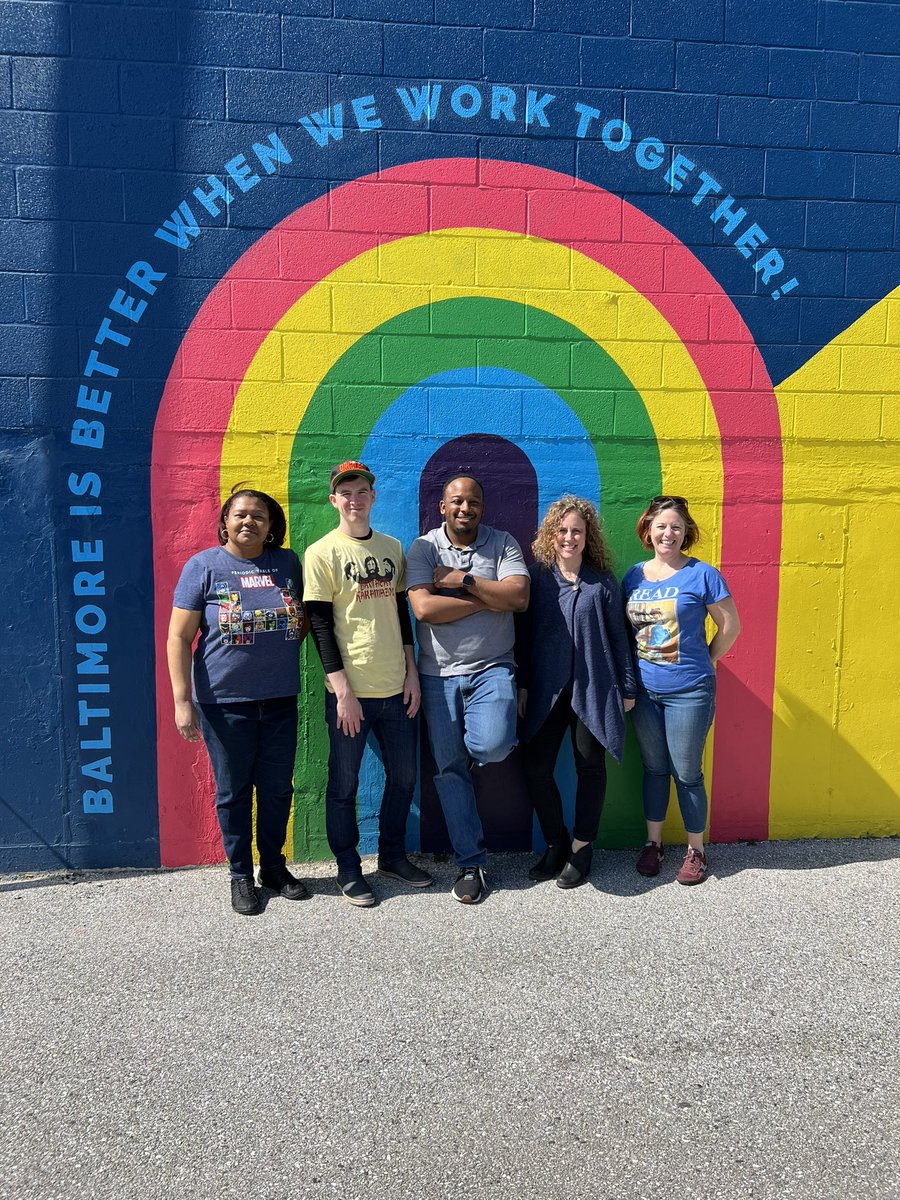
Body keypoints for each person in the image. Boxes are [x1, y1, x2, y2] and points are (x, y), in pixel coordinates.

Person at [167, 487, 310, 916]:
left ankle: (273, 868)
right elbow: (178, 636)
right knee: (233, 793)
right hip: (224, 704)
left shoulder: (287, 564)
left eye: (259, 517)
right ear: (225, 521)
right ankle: (240, 875)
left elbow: (301, 619)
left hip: (280, 699)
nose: (249, 522)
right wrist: (182, 700)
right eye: (240, 515)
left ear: (271, 527)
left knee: (276, 790)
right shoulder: (204, 567)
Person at [303, 460, 432, 907]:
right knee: (344, 784)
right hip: (351, 694)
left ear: (372, 497)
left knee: (405, 777)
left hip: (397, 689)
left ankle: (393, 856)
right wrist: (342, 692)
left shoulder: (393, 548)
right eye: (346, 493)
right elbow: (320, 626)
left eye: (362, 492)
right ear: (334, 500)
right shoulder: (322, 553)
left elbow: (401, 616)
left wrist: (412, 673)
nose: (354, 500)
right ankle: (348, 868)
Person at [407, 475, 530, 904]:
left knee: (492, 745)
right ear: (443, 507)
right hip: (436, 675)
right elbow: (424, 608)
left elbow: (519, 597)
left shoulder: (503, 543)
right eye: (456, 501)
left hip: (493, 668)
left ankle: (479, 742)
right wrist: (487, 596)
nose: (465, 508)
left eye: (473, 501)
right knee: (449, 771)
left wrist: (460, 580)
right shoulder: (423, 549)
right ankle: (470, 861)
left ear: (483, 506)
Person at [516, 497, 637, 888]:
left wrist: (628, 687)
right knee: (535, 768)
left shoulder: (602, 582)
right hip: (547, 691)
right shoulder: (536, 579)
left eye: (577, 531)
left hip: (593, 690)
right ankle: (556, 843)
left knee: (590, 769)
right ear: (552, 535)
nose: (569, 537)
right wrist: (522, 684)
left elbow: (620, 640)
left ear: (588, 537)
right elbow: (522, 637)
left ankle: (582, 848)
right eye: (563, 530)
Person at [622, 495, 741, 885]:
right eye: (660, 526)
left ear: (686, 532)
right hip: (644, 692)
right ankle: (653, 844)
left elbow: (730, 627)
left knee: (687, 772)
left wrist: (706, 660)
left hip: (689, 689)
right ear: (648, 531)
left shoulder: (702, 574)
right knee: (654, 769)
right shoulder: (633, 577)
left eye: (675, 526)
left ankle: (696, 851)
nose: (668, 533)